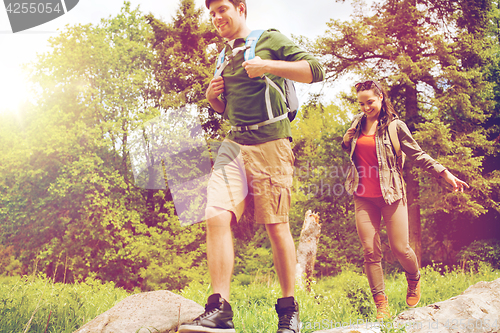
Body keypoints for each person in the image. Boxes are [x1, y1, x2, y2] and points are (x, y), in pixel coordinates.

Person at [178, 0, 324, 332]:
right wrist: (212, 96)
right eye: (212, 13)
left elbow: (316, 70)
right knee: (215, 215)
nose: (216, 18)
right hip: (234, 144)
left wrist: (269, 66)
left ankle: (288, 311)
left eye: (222, 9)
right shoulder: (222, 57)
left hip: (271, 141)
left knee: (276, 225)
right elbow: (225, 109)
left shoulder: (268, 39)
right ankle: (219, 310)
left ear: (241, 8)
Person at [342, 80, 469, 320]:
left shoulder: (395, 126)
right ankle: (381, 305)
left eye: (370, 102)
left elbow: (418, 155)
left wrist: (445, 173)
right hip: (362, 196)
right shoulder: (357, 124)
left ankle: (414, 278)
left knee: (401, 248)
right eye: (361, 103)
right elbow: (352, 150)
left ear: (381, 98)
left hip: (391, 195)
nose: (366, 107)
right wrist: (347, 139)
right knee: (370, 251)